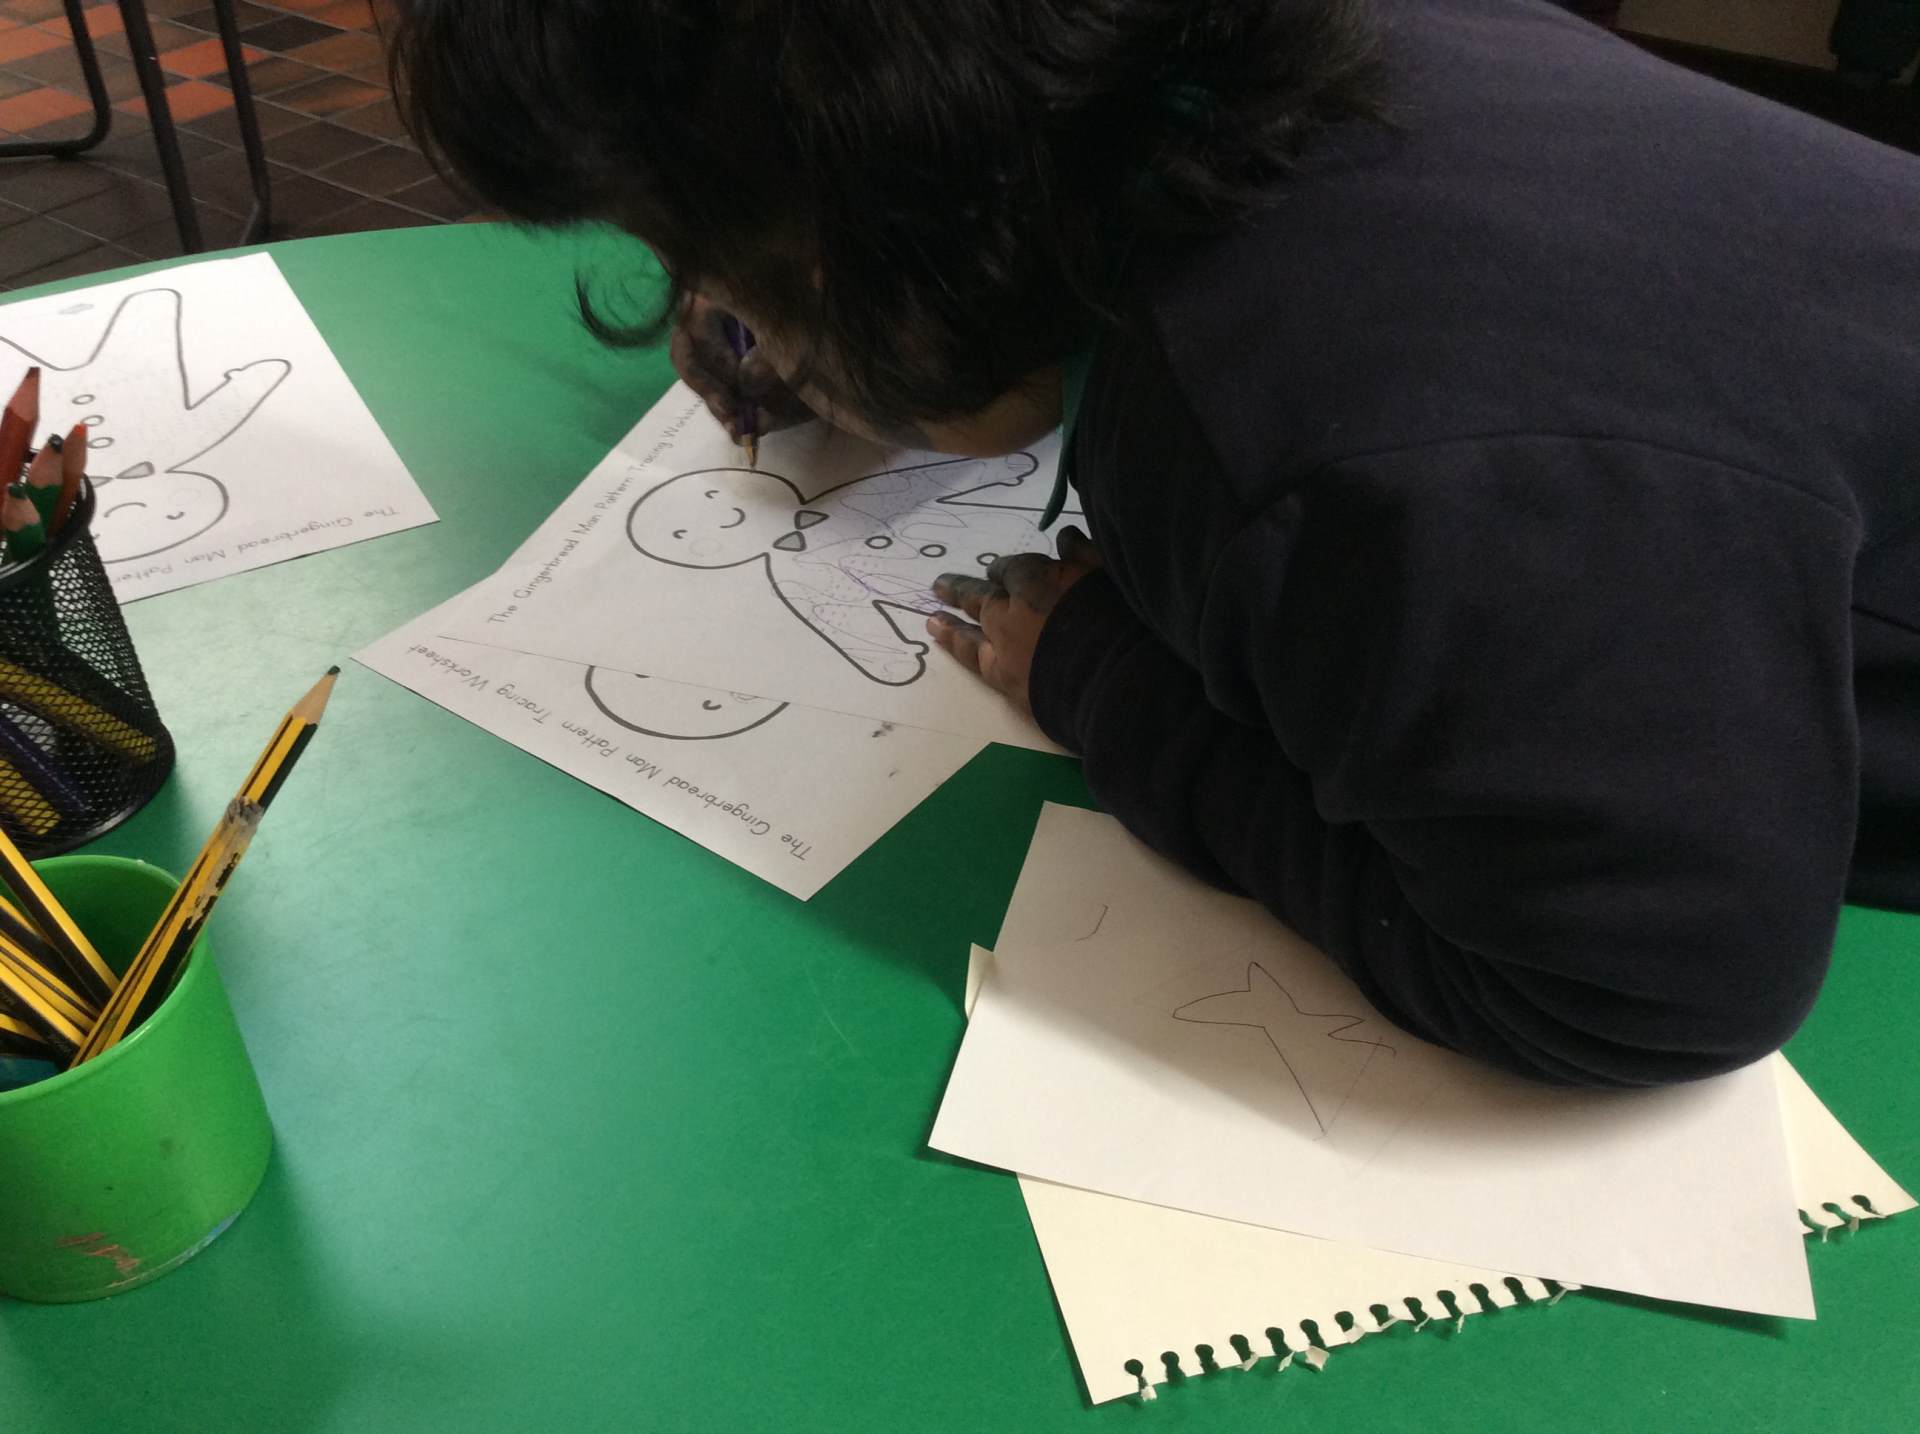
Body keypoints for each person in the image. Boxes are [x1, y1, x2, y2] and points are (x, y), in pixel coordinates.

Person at [390, 0, 1920, 1086]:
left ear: (875, 256)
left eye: (720, 271)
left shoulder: (1323, 462)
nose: (719, 323)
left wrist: (1108, 682)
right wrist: (861, 346)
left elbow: (1640, 987)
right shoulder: (1291, 57)